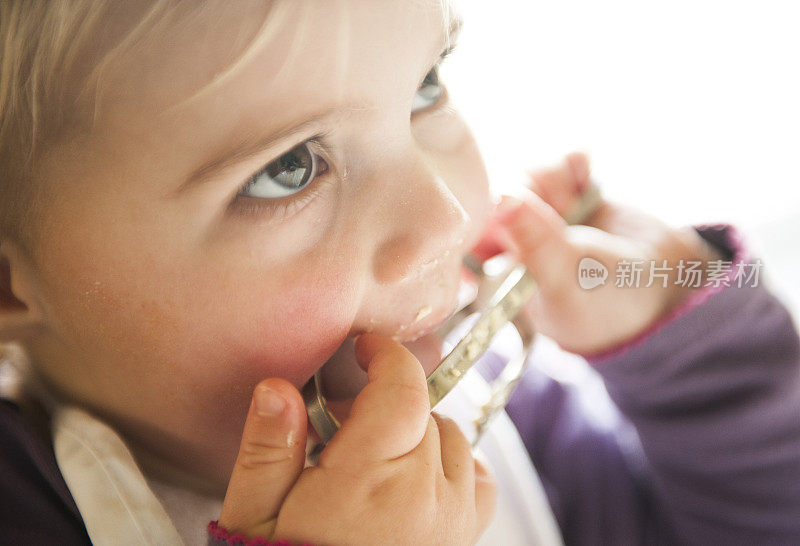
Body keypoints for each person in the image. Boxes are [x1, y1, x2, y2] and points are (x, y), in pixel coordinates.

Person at [1, 1, 798, 544]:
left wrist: (691, 353)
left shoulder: (500, 415)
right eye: (287, 169)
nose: (447, 215)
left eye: (426, 86)